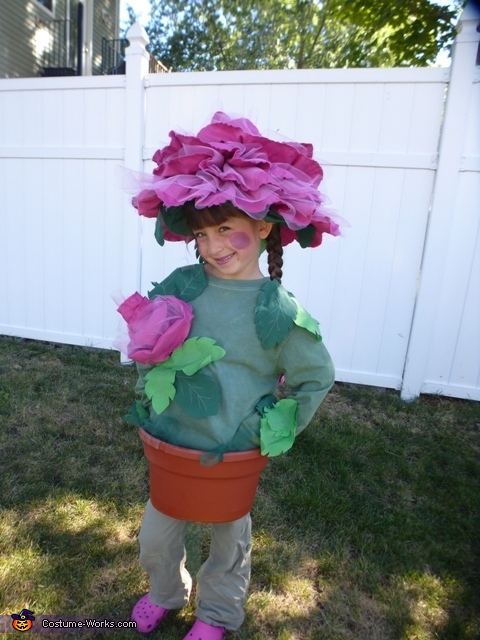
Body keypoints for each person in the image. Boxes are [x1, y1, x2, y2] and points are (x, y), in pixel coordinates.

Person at [119, 112, 342, 639]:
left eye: (227, 229)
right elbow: (150, 340)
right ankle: (165, 592)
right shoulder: (184, 283)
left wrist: (280, 425)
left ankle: (217, 614)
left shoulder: (278, 311)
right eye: (202, 233)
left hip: (234, 448)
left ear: (262, 228)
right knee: (155, 536)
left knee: (228, 540)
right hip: (173, 438)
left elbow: (317, 376)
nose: (214, 245)